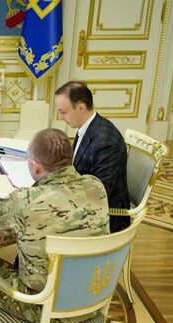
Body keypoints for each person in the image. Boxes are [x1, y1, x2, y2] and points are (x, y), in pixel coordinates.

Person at [0, 128, 109, 323]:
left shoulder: (25, 201)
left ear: (35, 166)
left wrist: (12, 218)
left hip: (41, 309)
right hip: (92, 297)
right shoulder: (96, 186)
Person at [54, 80, 130, 232]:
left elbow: (101, 192)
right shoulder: (88, 127)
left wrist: (58, 195)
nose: (60, 117)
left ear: (81, 108)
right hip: (86, 200)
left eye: (63, 112)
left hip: (106, 217)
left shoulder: (106, 143)